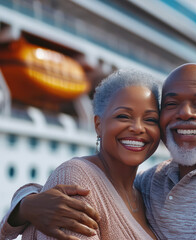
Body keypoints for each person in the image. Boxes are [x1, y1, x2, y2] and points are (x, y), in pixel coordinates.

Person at [1, 63, 196, 239]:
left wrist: (26, 205)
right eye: (172, 104)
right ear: (98, 124)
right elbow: (94, 188)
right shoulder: (156, 180)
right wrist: (26, 206)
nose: (185, 114)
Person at [0, 69, 162, 239]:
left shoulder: (146, 192)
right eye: (123, 116)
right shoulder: (77, 180)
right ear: (98, 125)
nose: (137, 128)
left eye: (150, 119)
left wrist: (24, 202)